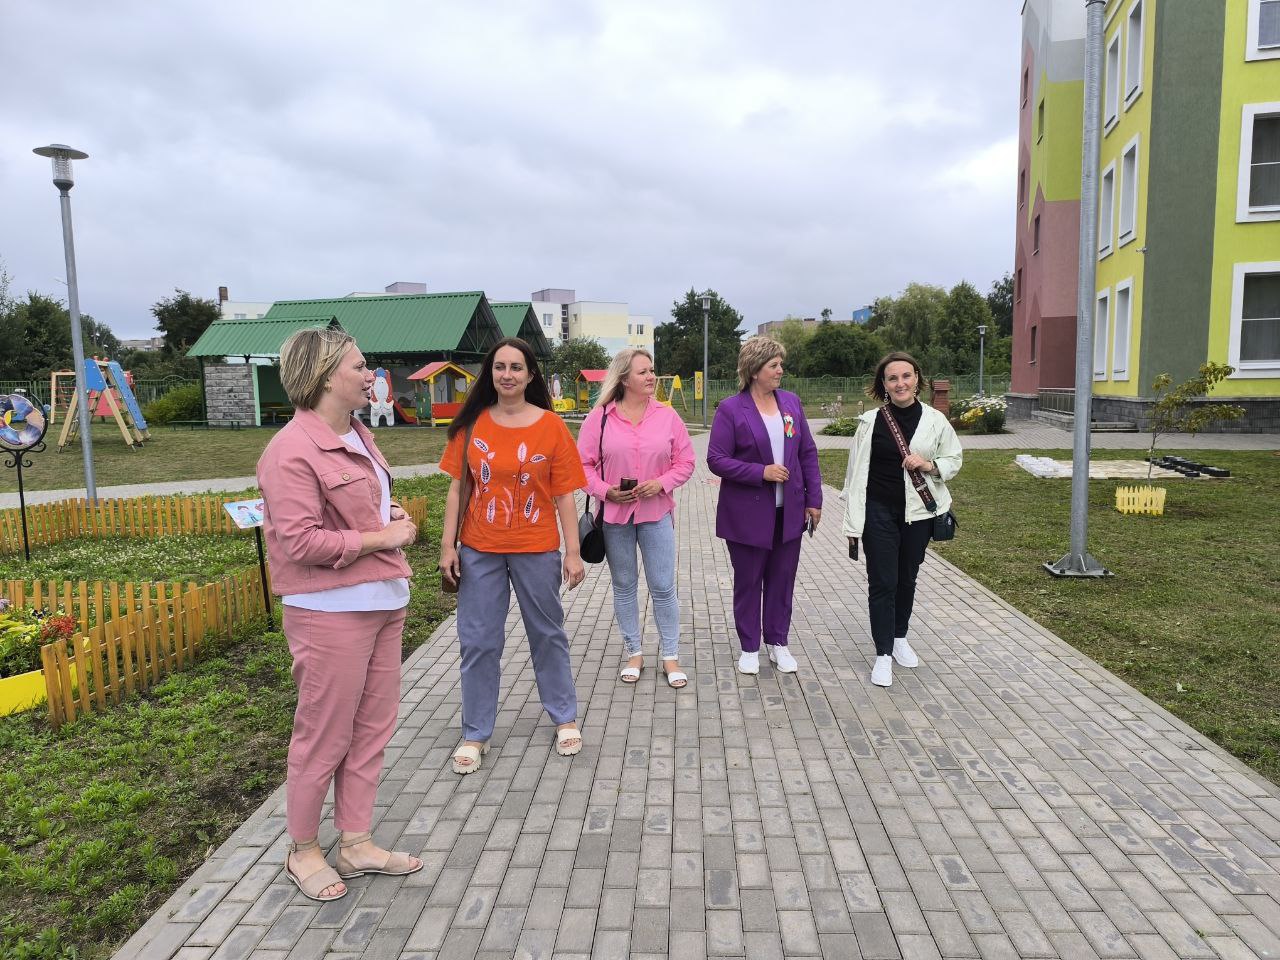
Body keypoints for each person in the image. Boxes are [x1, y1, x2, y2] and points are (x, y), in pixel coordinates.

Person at [257, 326, 422, 904]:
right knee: (324, 736)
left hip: (383, 601)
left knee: (372, 729)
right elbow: (300, 542)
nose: (369, 373)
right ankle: (303, 850)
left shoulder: (356, 433)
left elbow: (361, 504)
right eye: (359, 365)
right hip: (329, 611)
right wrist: (381, 537)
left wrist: (387, 512)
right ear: (326, 377)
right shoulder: (290, 451)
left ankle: (355, 842)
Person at [438, 337, 587, 774]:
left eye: (516, 367)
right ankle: (475, 732)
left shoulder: (551, 427)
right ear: (490, 373)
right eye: (500, 366)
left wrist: (573, 552)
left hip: (536, 548)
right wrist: (448, 545)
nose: (507, 374)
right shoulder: (472, 425)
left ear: (530, 374)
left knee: (547, 634)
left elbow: (564, 495)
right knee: (479, 640)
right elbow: (458, 489)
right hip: (479, 549)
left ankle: (564, 717)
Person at [841, 351, 962, 688]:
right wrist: (852, 523)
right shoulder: (869, 423)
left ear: (917, 379)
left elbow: (954, 458)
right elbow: (853, 475)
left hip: (918, 513)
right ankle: (882, 654)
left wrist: (929, 465)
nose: (900, 383)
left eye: (906, 376)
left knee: (907, 578)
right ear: (883, 384)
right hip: (877, 511)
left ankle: (899, 638)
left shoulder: (935, 420)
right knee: (883, 582)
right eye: (892, 378)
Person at [577, 348, 695, 688]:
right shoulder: (599, 418)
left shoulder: (667, 416)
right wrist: (606, 491)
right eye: (643, 372)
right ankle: (634, 652)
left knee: (663, 586)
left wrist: (661, 483)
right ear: (624, 378)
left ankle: (670, 656)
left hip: (656, 514)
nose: (651, 377)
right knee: (624, 586)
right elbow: (581, 466)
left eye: (651, 370)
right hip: (615, 518)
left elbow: (686, 462)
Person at [706, 337, 822, 675]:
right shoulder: (731, 409)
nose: (780, 370)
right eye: (774, 365)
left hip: (790, 512)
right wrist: (761, 472)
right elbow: (716, 459)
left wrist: (814, 499)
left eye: (780, 364)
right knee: (749, 581)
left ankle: (778, 642)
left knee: (782, 580)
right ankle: (749, 647)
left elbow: (807, 453)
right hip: (747, 514)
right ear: (755, 370)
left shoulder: (791, 403)